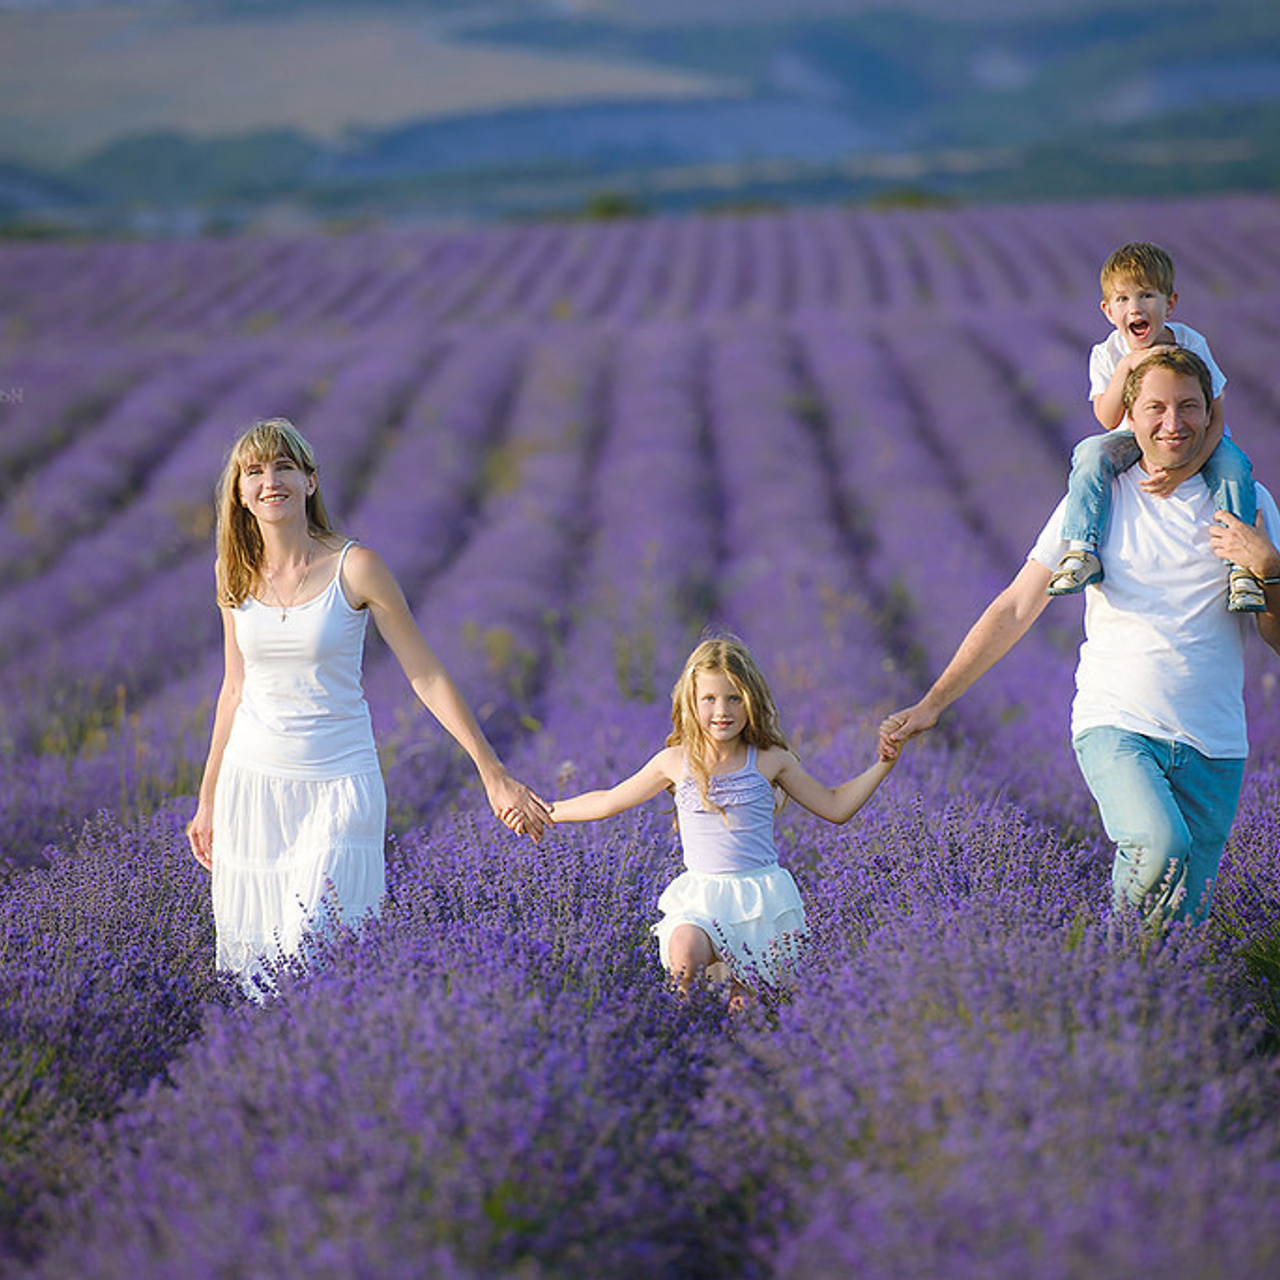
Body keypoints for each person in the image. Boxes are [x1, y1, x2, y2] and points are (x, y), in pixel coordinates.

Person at [881, 348, 1280, 926]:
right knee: (1158, 845)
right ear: (1130, 415)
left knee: (1181, 929)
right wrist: (933, 702)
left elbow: (1274, 635)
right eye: (1156, 407)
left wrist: (1269, 567)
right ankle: (1105, 954)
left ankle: (1125, 977)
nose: (1173, 423)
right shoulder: (1097, 498)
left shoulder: (1248, 503)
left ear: (1210, 411)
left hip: (1215, 744)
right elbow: (1017, 606)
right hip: (1118, 722)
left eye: (1188, 406)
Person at [187, 418, 550, 994]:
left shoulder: (356, 567)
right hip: (252, 790)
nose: (270, 481)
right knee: (259, 978)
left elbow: (426, 674)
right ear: (239, 493)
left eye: (284, 467)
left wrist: (493, 772)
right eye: (254, 472)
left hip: (339, 785)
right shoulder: (231, 573)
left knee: (319, 954)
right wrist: (208, 798)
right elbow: (234, 688)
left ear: (310, 481)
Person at [546, 634, 898, 1006]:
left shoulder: (770, 759)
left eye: (734, 698)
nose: (722, 711)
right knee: (683, 955)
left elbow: (835, 806)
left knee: (747, 1012)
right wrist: (545, 811)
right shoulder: (675, 761)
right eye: (709, 699)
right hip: (701, 897)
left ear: (751, 701)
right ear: (691, 702)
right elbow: (607, 801)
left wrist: (884, 764)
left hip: (760, 904)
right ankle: (680, 1028)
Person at [1047, 241, 1263, 612]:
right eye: (1123, 299)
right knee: (1088, 453)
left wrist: (1188, 469)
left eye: (1146, 295)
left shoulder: (1190, 342)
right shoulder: (1107, 354)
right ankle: (1083, 549)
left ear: (1170, 304)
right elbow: (1107, 418)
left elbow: (1216, 414)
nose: (1135, 307)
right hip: (1134, 438)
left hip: (1200, 439)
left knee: (1234, 467)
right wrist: (1127, 366)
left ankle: (1240, 569)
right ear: (1108, 310)